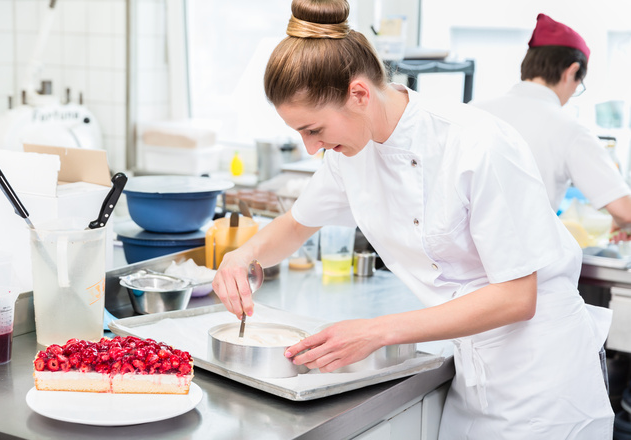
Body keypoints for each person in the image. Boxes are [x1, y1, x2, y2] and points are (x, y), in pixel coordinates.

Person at [212, 1, 614, 438]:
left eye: (314, 130)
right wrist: (243, 254)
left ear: (360, 94)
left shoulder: (476, 143)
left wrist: (376, 332)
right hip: (471, 375)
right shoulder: (350, 153)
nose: (311, 148)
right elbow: (295, 224)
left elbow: (517, 297)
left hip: (544, 383)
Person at [472, 13, 631, 234]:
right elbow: (626, 211)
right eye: (579, 85)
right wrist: (625, 224)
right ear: (572, 71)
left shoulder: (474, 110)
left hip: (460, 262)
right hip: (526, 263)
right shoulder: (570, 129)